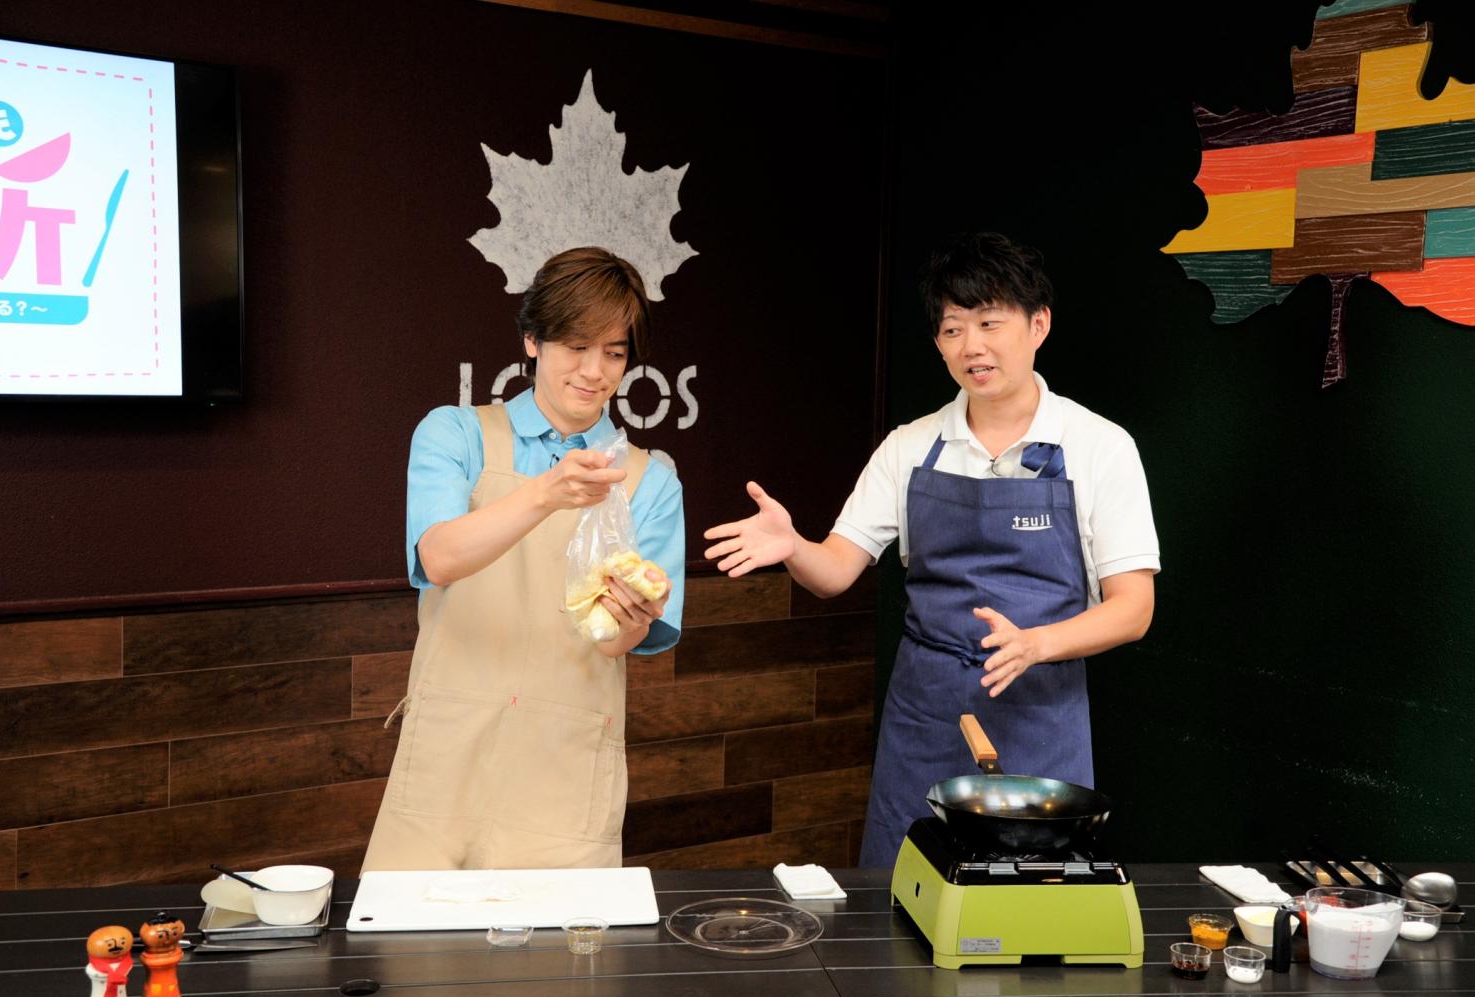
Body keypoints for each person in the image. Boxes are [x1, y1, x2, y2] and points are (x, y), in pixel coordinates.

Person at [703, 232, 1158, 867]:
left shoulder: (1100, 446)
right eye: (952, 329)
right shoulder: (909, 446)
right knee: (904, 890)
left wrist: (1036, 644)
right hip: (925, 715)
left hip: (1041, 716)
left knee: (1029, 903)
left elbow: (1133, 608)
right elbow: (835, 571)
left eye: (990, 323)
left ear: (1039, 325)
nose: (972, 346)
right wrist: (794, 546)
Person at [363, 246, 685, 871]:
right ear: (533, 340)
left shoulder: (650, 481)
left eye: (614, 354)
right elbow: (440, 558)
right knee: (420, 933)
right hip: (447, 759)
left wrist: (633, 615)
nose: (594, 371)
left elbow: (619, 644)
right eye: (577, 346)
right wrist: (546, 493)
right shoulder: (455, 434)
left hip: (566, 763)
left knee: (565, 938)